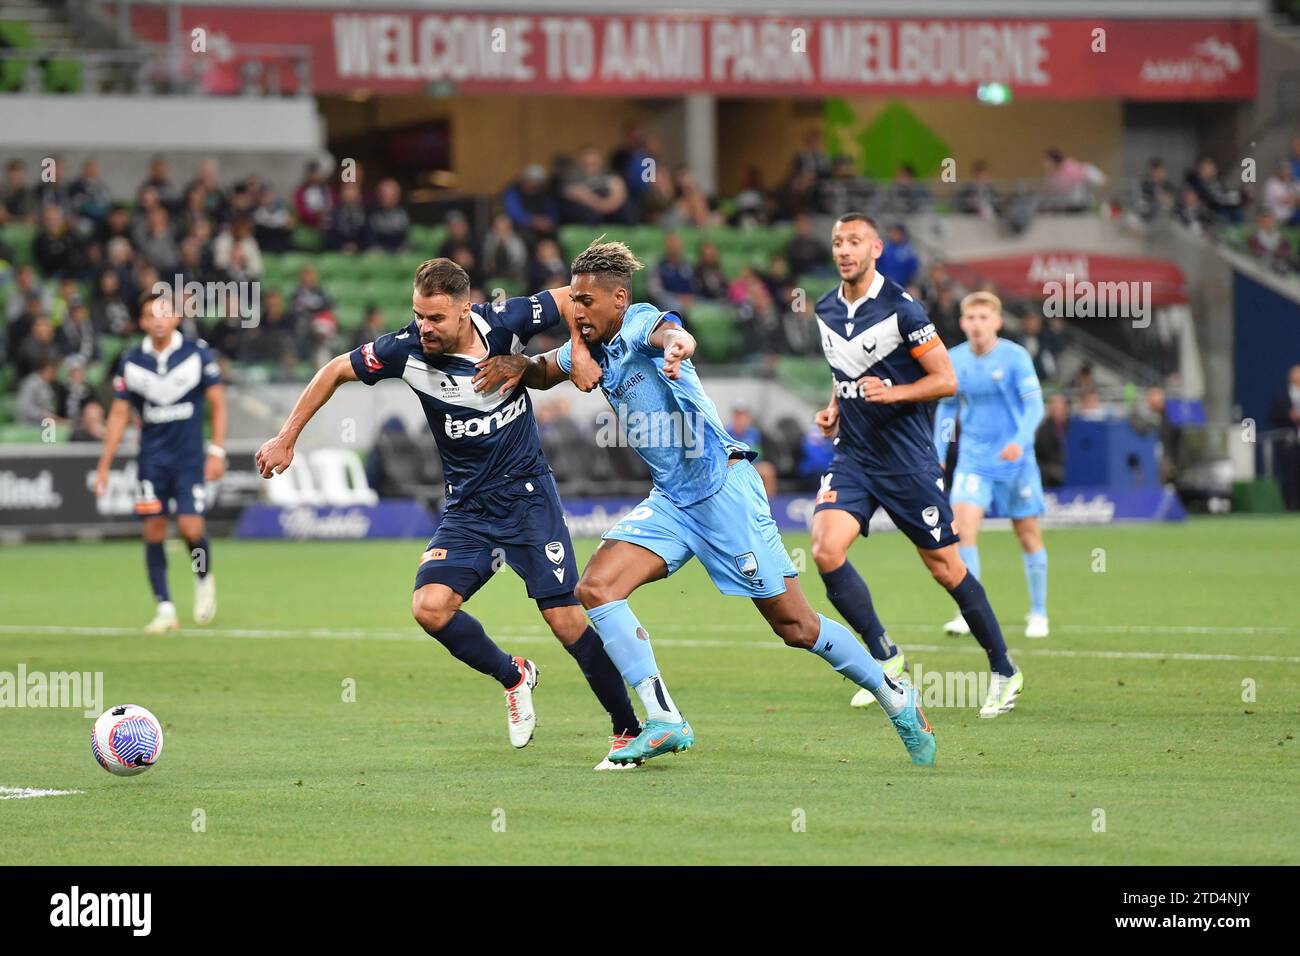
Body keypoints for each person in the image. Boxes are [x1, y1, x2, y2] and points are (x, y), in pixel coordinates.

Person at [491, 240, 937, 767]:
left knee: (796, 626)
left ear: (618, 298)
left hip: (722, 490)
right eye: (573, 302)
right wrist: (518, 365)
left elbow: (671, 332)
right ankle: (664, 720)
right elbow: (547, 370)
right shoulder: (589, 345)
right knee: (596, 587)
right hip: (672, 501)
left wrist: (679, 346)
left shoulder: (638, 324)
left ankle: (896, 696)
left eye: (586, 302)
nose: (577, 310)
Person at [254, 259, 641, 769]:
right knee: (429, 607)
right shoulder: (404, 350)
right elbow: (334, 371)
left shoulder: (504, 320)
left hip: (527, 499)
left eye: (435, 318)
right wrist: (287, 438)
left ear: (464, 310)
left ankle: (627, 729)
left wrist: (579, 354)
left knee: (566, 620)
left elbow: (572, 296)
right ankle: (514, 676)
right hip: (468, 508)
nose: (424, 327)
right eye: (419, 315)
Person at [807, 214, 1022, 718]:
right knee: (824, 549)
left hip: (907, 461)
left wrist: (894, 393)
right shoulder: (824, 308)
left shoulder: (903, 310)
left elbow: (946, 380)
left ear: (876, 248)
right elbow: (844, 369)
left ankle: (1004, 670)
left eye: (854, 241)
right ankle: (886, 657)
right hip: (855, 456)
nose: (844, 250)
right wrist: (835, 406)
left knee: (946, 568)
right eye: (837, 241)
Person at [94, 293, 226, 633]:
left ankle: (203, 578)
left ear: (177, 318)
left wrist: (217, 451)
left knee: (189, 527)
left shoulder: (197, 354)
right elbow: (120, 414)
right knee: (153, 528)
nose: (158, 319)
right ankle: (165, 608)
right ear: (141, 322)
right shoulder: (132, 361)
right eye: (151, 314)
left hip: (189, 457)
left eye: (164, 313)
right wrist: (105, 465)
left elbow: (217, 404)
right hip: (152, 459)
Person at [935, 292, 1049, 640]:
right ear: (962, 323)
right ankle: (970, 612)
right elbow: (946, 409)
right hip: (974, 460)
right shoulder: (954, 360)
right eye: (971, 318)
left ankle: (1039, 613)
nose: (977, 324)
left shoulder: (1015, 358)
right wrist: (938, 452)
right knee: (963, 532)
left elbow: (1035, 407)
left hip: (1017, 461)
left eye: (984, 317)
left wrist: (1020, 440)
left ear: (997, 322)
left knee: (1027, 534)